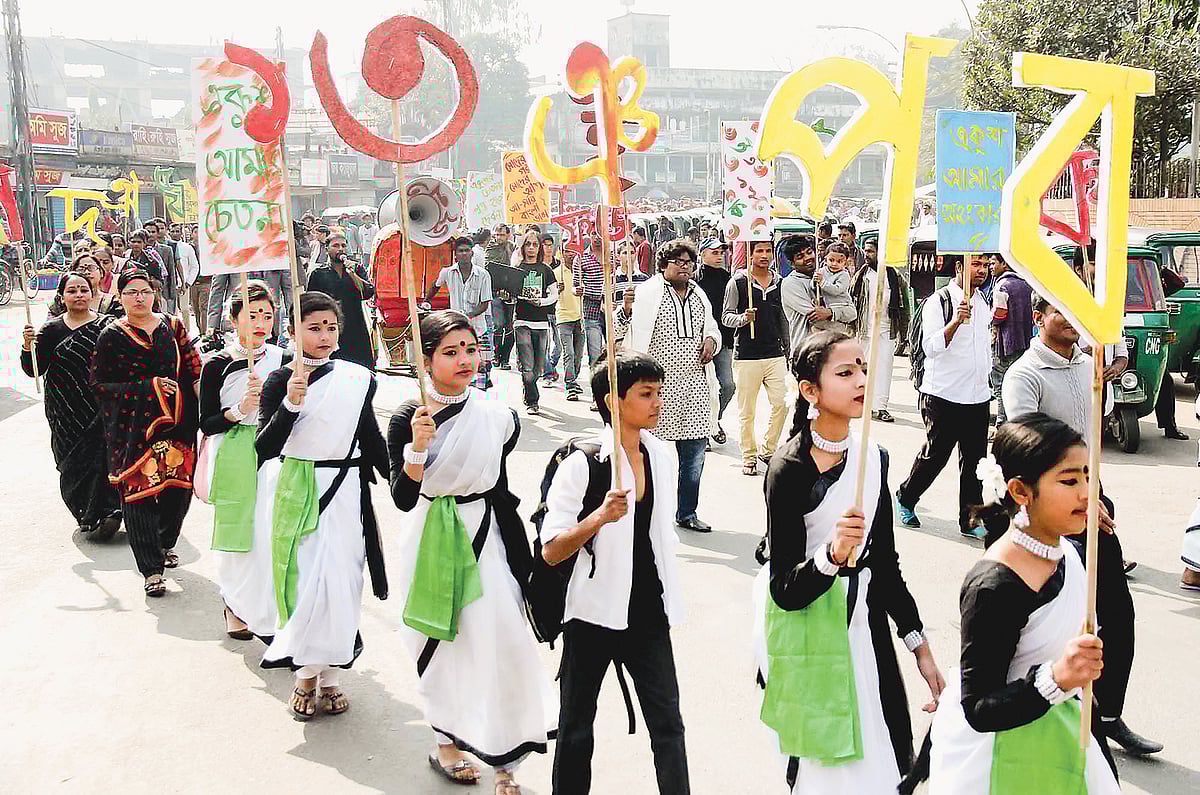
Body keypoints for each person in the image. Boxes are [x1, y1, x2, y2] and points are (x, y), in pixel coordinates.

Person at [756, 330, 943, 793]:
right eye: (845, 372)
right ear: (809, 391)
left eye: (862, 368)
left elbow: (886, 565)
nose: (861, 379)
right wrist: (832, 556)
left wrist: (917, 643)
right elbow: (784, 588)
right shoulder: (789, 468)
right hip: (811, 634)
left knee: (885, 754)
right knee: (827, 764)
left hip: (865, 626)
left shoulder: (873, 459)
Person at [388, 311, 554, 794]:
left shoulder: (497, 415)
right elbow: (401, 497)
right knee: (444, 644)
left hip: (488, 537)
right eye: (450, 351)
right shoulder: (408, 416)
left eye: (470, 348)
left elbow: (497, 482)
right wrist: (417, 448)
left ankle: (507, 761)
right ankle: (446, 742)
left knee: (503, 639)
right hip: (431, 537)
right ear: (426, 361)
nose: (465, 359)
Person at [920, 414, 1120, 794]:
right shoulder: (993, 586)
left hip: (1065, 729)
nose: (1086, 494)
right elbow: (978, 708)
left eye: (1087, 477)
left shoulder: (1071, 551)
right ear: (1020, 491)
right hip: (998, 754)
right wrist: (1058, 677)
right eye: (1069, 481)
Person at [1000, 293, 1163, 757]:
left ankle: (1106, 715)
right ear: (1038, 318)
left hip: (1092, 502)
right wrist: (1078, 496)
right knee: (1051, 619)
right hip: (1044, 513)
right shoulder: (1023, 374)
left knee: (1115, 614)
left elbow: (1097, 433)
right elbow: (1025, 446)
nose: (1072, 321)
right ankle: (1038, 709)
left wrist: (1093, 493)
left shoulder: (1089, 367)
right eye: (1060, 312)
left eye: (1077, 313)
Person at [542, 353, 691, 795]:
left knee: (668, 727)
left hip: (648, 614)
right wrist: (598, 519)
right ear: (613, 400)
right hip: (592, 615)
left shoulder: (661, 456)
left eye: (658, 393)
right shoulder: (583, 464)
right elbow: (551, 550)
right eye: (646, 394)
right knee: (575, 730)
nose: (657, 403)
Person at [255, 290, 389, 719]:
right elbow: (265, 446)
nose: (325, 336)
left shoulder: (357, 378)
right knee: (306, 582)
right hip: (301, 487)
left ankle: (331, 677)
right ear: (292, 331)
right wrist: (292, 404)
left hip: (348, 488)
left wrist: (402, 475)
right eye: (314, 328)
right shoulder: (280, 381)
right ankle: (305, 675)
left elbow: (368, 435)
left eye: (331, 327)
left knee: (342, 582)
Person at [90, 269, 202, 597]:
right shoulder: (111, 335)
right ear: (120, 297)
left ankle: (165, 543)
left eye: (145, 291)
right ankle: (150, 569)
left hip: (178, 422)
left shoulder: (174, 326)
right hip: (132, 429)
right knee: (138, 493)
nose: (140, 298)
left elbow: (194, 367)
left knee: (177, 490)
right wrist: (148, 388)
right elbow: (99, 384)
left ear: (155, 294)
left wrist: (207, 401)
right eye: (131, 292)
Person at [198, 280, 291, 640]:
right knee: (241, 533)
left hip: (277, 451)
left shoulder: (285, 361)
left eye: (267, 315)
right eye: (252, 315)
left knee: (273, 532)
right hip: (236, 450)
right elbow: (206, 421)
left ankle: (272, 610)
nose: (261, 323)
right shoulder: (218, 364)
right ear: (233, 318)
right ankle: (234, 602)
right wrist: (240, 410)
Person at [617, 239, 721, 533]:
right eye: (678, 261)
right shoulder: (646, 293)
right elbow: (624, 330)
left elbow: (711, 327)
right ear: (663, 265)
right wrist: (625, 310)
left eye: (689, 261)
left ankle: (687, 512)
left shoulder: (699, 294)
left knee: (695, 453)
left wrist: (712, 340)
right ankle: (648, 510)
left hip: (696, 386)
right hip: (657, 389)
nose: (685, 266)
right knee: (652, 453)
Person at [22, 272, 123, 540]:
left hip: (101, 407)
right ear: (62, 296)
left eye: (83, 289)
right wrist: (27, 346)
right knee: (72, 465)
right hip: (64, 411)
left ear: (92, 293)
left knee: (104, 459)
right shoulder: (50, 330)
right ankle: (86, 516)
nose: (78, 295)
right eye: (72, 291)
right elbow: (34, 370)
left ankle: (110, 511)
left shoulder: (108, 326)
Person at [896, 256, 992, 539]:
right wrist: (956, 322)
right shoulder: (938, 302)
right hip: (942, 394)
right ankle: (906, 497)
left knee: (975, 462)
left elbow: (984, 349)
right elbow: (932, 347)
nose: (982, 270)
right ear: (960, 267)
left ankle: (971, 519)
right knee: (935, 455)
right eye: (976, 264)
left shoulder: (983, 303)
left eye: (985, 265)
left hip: (977, 395)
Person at [723, 239, 790, 475]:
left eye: (768, 250)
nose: (764, 255)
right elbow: (726, 317)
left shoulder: (780, 283)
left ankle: (768, 449)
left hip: (774, 354)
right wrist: (743, 318)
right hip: (747, 356)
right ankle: (749, 457)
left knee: (782, 403)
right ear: (750, 254)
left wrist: (788, 350)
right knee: (747, 412)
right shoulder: (738, 283)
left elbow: (783, 318)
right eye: (759, 251)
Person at [850, 238, 910, 423]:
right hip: (864, 329)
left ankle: (881, 407)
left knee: (884, 368)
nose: (867, 255)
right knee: (863, 369)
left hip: (886, 328)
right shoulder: (861, 276)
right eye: (866, 251)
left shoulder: (894, 276)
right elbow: (851, 300)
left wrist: (904, 333)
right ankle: (864, 405)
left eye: (871, 251)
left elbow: (904, 306)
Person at [422, 236, 494, 390]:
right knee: (460, 367)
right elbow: (435, 286)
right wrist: (427, 301)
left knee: (482, 368)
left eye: (467, 251)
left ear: (472, 253)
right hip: (455, 331)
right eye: (460, 251)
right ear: (455, 254)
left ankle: (480, 397)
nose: (464, 254)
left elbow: (484, 304)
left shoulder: (483, 275)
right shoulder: (447, 272)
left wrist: (467, 316)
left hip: (478, 328)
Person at [306, 232, 376, 369]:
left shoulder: (357, 269)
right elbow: (310, 304)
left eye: (343, 245)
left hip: (356, 327)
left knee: (362, 368)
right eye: (336, 245)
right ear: (327, 249)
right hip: (330, 328)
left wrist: (353, 274)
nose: (340, 249)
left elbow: (368, 292)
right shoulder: (318, 273)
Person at [509, 230, 558, 414]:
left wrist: (541, 302)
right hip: (521, 320)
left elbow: (554, 295)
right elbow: (509, 295)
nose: (531, 248)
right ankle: (532, 401)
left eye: (534, 244)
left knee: (537, 368)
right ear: (523, 247)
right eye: (528, 244)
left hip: (541, 323)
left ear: (539, 247)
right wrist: (507, 295)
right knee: (528, 367)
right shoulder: (518, 268)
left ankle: (528, 385)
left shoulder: (546, 270)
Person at [989, 253, 1034, 428]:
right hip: (1023, 341)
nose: (991, 267)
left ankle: (1002, 424)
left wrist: (989, 320)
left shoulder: (1002, 285)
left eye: (993, 263)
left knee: (1000, 384)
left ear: (1004, 264)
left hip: (1004, 344)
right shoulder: (1026, 284)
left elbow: (999, 313)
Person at [697, 237, 734, 444]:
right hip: (700, 342)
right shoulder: (694, 280)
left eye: (721, 252)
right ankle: (705, 429)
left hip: (724, 341)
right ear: (702, 255)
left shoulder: (729, 279)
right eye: (714, 252)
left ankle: (713, 420)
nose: (719, 256)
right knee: (704, 389)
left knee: (728, 385)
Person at [779, 234, 825, 353]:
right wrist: (837, 312)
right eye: (800, 256)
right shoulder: (790, 283)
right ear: (792, 263)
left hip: (831, 349)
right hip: (806, 350)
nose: (808, 258)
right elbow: (816, 316)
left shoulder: (825, 276)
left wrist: (832, 312)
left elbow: (850, 313)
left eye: (809, 252)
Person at [574, 231, 609, 366]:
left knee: (617, 352)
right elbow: (575, 285)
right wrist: (577, 290)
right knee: (595, 354)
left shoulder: (614, 255)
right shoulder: (581, 257)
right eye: (594, 233)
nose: (597, 237)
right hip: (591, 309)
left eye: (600, 233)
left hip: (612, 309)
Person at [555, 248, 585, 401]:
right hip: (563, 317)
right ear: (561, 252)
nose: (571, 254)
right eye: (567, 251)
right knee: (569, 353)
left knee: (579, 355)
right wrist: (556, 289)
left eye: (574, 251)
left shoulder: (582, 269)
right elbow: (549, 294)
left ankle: (573, 378)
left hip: (581, 317)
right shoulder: (556, 273)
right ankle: (570, 385)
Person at [488, 225, 518, 370]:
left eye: (502, 235)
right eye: (497, 234)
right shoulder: (489, 248)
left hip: (511, 293)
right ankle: (496, 354)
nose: (498, 237)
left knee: (510, 326)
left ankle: (505, 358)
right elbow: (488, 269)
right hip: (495, 292)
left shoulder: (514, 248)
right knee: (498, 325)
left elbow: (517, 269)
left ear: (508, 235)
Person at [811, 241, 857, 334]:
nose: (835, 264)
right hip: (828, 308)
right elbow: (814, 287)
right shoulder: (821, 271)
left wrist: (822, 282)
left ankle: (846, 331)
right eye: (831, 260)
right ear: (825, 259)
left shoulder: (844, 275)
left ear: (845, 262)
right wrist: (814, 281)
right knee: (815, 326)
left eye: (839, 261)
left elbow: (836, 290)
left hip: (843, 306)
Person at [169, 222, 205, 335]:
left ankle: (186, 334)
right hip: (169, 285)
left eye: (177, 231)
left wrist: (188, 283)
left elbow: (195, 266)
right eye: (173, 231)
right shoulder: (166, 246)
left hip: (183, 285)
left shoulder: (187, 248)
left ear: (181, 233)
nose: (175, 234)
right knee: (172, 311)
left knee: (185, 310)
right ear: (169, 232)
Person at [541, 234, 562, 384]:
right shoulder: (538, 266)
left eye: (550, 245)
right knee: (545, 344)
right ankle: (548, 372)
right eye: (545, 245)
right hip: (542, 310)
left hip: (559, 309)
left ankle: (550, 365)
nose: (548, 248)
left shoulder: (559, 265)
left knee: (559, 345)